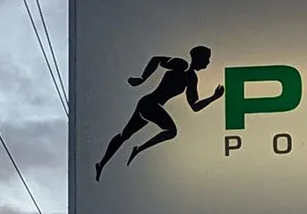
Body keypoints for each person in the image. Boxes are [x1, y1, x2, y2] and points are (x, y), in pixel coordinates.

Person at [94, 45, 225, 181]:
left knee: (126, 134)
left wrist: (213, 97)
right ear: (198, 58)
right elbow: (156, 60)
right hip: (149, 104)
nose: (208, 62)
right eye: (206, 59)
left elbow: (194, 106)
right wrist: (142, 79)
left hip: (150, 106)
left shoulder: (192, 78)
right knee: (166, 131)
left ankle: (112, 159)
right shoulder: (181, 65)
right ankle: (110, 160)